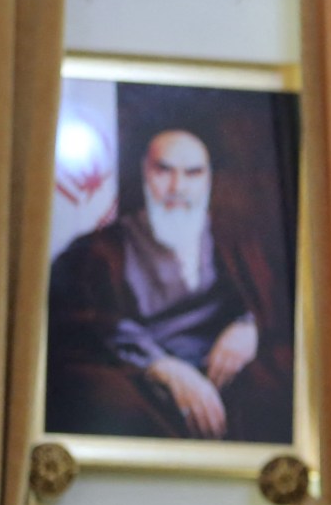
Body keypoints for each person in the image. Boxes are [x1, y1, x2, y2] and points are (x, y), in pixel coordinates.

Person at [45, 127, 293, 442]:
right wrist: (163, 367)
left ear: (208, 179)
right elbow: (83, 325)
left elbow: (279, 304)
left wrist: (249, 327)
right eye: (164, 171)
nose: (177, 187)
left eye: (192, 173)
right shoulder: (97, 251)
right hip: (141, 377)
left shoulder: (238, 240)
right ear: (144, 173)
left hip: (224, 374)